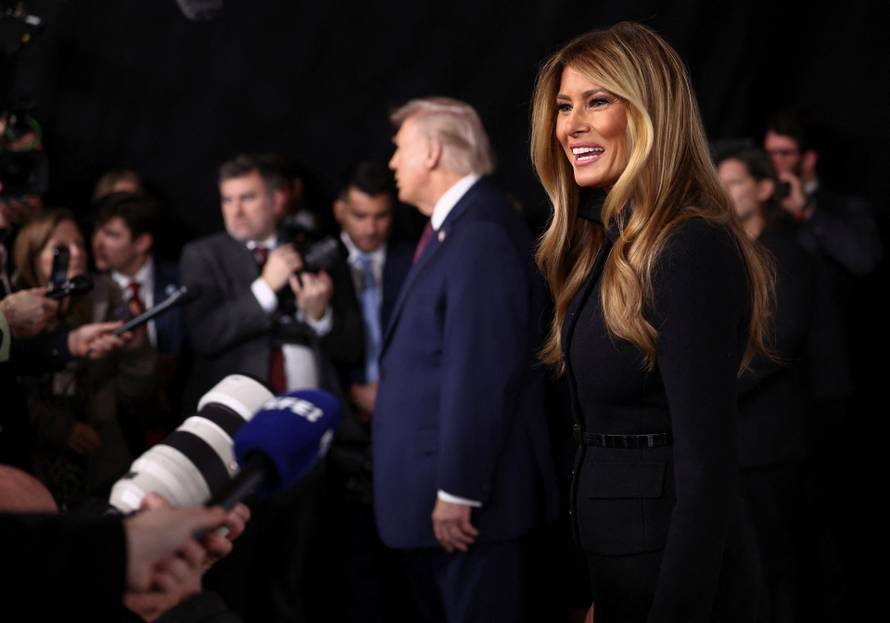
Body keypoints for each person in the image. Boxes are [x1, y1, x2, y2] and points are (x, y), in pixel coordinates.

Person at [530, 22, 774, 622]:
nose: (571, 126)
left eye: (597, 101)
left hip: (677, 581)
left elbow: (706, 467)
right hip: (618, 568)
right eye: (564, 106)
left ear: (649, 112)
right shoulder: (606, 245)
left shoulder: (690, 246)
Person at [374, 97, 558, 623]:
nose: (393, 163)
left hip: (469, 510)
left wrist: (457, 489)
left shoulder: (480, 234)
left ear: (431, 152)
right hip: (445, 505)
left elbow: (481, 373)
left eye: (400, 149)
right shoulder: (457, 229)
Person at [180, 153, 361, 623]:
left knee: (302, 573)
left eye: (248, 198)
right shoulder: (204, 255)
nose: (236, 210)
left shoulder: (309, 246)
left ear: (277, 200)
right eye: (228, 200)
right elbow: (206, 335)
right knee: (237, 571)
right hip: (236, 442)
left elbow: (351, 342)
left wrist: (319, 316)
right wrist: (265, 286)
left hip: (311, 441)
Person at [14, 209, 157, 508]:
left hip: (102, 451)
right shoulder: (13, 303)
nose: (78, 254)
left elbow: (137, 391)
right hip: (30, 453)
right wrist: (56, 427)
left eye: (80, 243)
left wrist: (137, 347)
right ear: (33, 253)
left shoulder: (107, 295)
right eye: (62, 249)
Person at [763, 112, 882, 279]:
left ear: (809, 159)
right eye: (769, 154)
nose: (774, 162)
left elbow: (863, 260)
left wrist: (808, 210)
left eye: (784, 153)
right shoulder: (762, 203)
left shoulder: (845, 206)